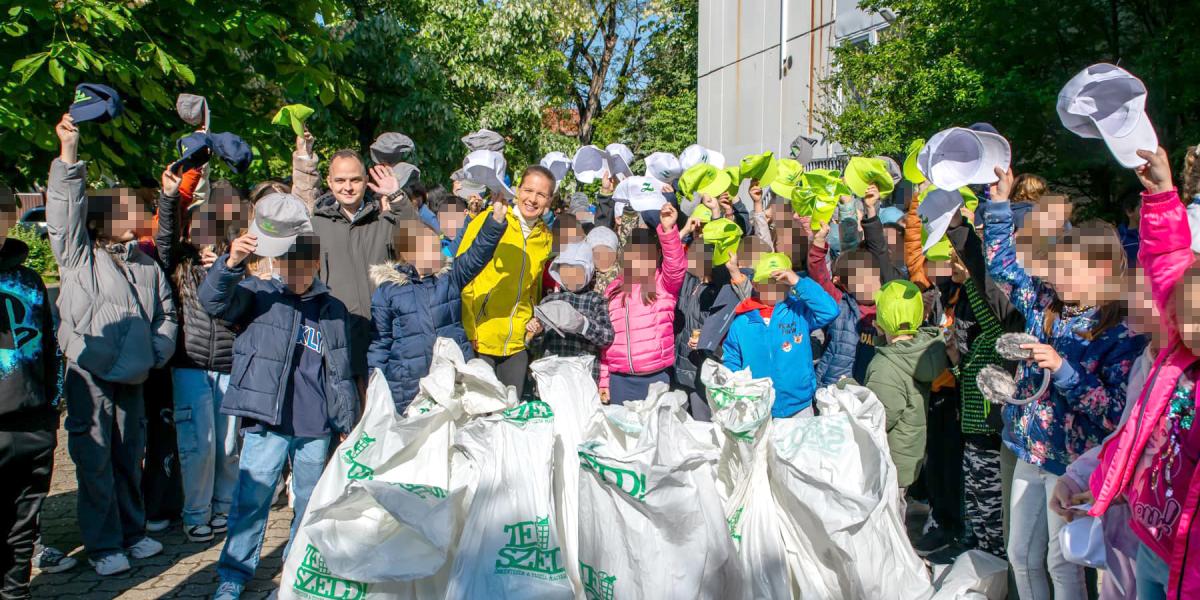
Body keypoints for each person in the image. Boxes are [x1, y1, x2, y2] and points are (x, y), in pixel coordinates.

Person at [983, 167, 1145, 600]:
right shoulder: (1044, 303)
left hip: (1073, 465)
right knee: (1019, 553)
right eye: (1054, 268)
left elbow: (1114, 410)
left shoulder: (1121, 332)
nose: (1054, 278)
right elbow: (1003, 268)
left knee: (1064, 562)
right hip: (1029, 449)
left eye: (1067, 270)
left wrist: (1063, 369)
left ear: (1103, 270)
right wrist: (998, 204)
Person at [200, 196, 360, 600]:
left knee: (309, 503)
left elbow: (339, 372)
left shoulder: (333, 309)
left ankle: (295, 569)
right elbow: (212, 302)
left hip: (314, 426)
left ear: (316, 266)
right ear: (279, 262)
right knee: (251, 501)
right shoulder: (256, 295)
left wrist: (345, 423)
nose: (298, 274)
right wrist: (231, 264)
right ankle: (234, 575)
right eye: (290, 265)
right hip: (267, 420)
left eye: (306, 267)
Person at [48, 114, 177, 575]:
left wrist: (156, 352)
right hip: (91, 372)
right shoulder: (78, 255)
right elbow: (64, 210)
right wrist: (68, 154)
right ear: (104, 218)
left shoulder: (145, 263)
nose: (139, 213)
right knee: (94, 461)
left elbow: (166, 315)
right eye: (128, 208)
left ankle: (132, 532)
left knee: (129, 454)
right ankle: (103, 546)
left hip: (135, 375)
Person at [1088, 147, 1200, 600]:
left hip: (1189, 564)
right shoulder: (1178, 357)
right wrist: (1160, 197)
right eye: (1182, 310)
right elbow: (1169, 262)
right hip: (1148, 538)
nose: (1182, 321)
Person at [155, 170, 248, 543]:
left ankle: (225, 507)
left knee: (227, 445)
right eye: (197, 222)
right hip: (190, 367)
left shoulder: (232, 267)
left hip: (228, 365)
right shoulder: (177, 263)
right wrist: (169, 196)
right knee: (199, 445)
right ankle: (196, 512)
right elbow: (164, 235)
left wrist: (227, 270)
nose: (203, 230)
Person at [940, 202, 1027, 562]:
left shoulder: (999, 326)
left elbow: (989, 298)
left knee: (994, 513)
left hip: (995, 430)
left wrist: (971, 275)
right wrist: (958, 364)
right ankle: (977, 559)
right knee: (975, 502)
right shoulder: (977, 343)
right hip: (974, 428)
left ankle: (991, 563)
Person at [367, 196, 509, 413]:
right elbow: (380, 343)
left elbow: (477, 254)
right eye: (429, 249)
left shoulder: (449, 277)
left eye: (436, 247)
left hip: (453, 380)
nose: (437, 254)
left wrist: (495, 222)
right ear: (408, 254)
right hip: (409, 387)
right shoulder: (388, 291)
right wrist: (374, 384)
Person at [292, 138, 405, 378]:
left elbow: (421, 245)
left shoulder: (383, 221)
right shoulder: (314, 227)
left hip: (386, 337)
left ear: (366, 181)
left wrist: (397, 197)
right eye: (341, 180)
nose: (348, 187)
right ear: (330, 183)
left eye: (355, 180)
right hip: (337, 339)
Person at [0, 187, 66, 598]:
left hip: (32, 420)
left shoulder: (27, 278)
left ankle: (15, 591)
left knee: (22, 522)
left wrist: (50, 405)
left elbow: (48, 344)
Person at [458, 165, 555, 397]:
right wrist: (469, 330)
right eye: (528, 190)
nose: (532, 199)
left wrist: (534, 321)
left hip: (517, 342)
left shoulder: (546, 238)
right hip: (481, 338)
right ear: (517, 190)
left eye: (541, 195)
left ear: (549, 200)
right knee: (480, 417)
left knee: (511, 414)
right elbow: (462, 277)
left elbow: (534, 289)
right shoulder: (488, 221)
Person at [863, 279, 948, 507]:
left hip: (889, 460)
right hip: (908, 453)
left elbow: (880, 417)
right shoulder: (923, 350)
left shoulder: (885, 366)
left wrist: (848, 389)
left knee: (889, 521)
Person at [723, 252, 838, 417]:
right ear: (755, 285)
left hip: (799, 405)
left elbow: (830, 310)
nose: (774, 288)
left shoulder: (799, 313)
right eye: (767, 283)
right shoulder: (742, 322)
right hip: (757, 406)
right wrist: (738, 388)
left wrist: (798, 281)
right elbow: (732, 358)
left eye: (781, 283)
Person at [600, 204, 685, 404]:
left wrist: (667, 230)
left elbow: (676, 266)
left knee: (654, 434)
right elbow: (605, 341)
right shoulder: (613, 289)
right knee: (621, 434)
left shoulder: (663, 284)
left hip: (655, 378)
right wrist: (604, 381)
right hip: (619, 379)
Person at [672, 238, 753, 421]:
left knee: (705, 427)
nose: (690, 258)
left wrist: (733, 270)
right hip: (680, 369)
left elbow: (747, 301)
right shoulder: (689, 282)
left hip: (707, 371)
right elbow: (672, 264)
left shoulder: (724, 289)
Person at [527, 242, 615, 383]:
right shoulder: (548, 300)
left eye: (577, 270)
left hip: (583, 377)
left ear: (588, 271)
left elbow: (607, 337)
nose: (571, 275)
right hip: (552, 377)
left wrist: (583, 325)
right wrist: (536, 332)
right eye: (565, 269)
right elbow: (532, 347)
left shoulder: (595, 300)